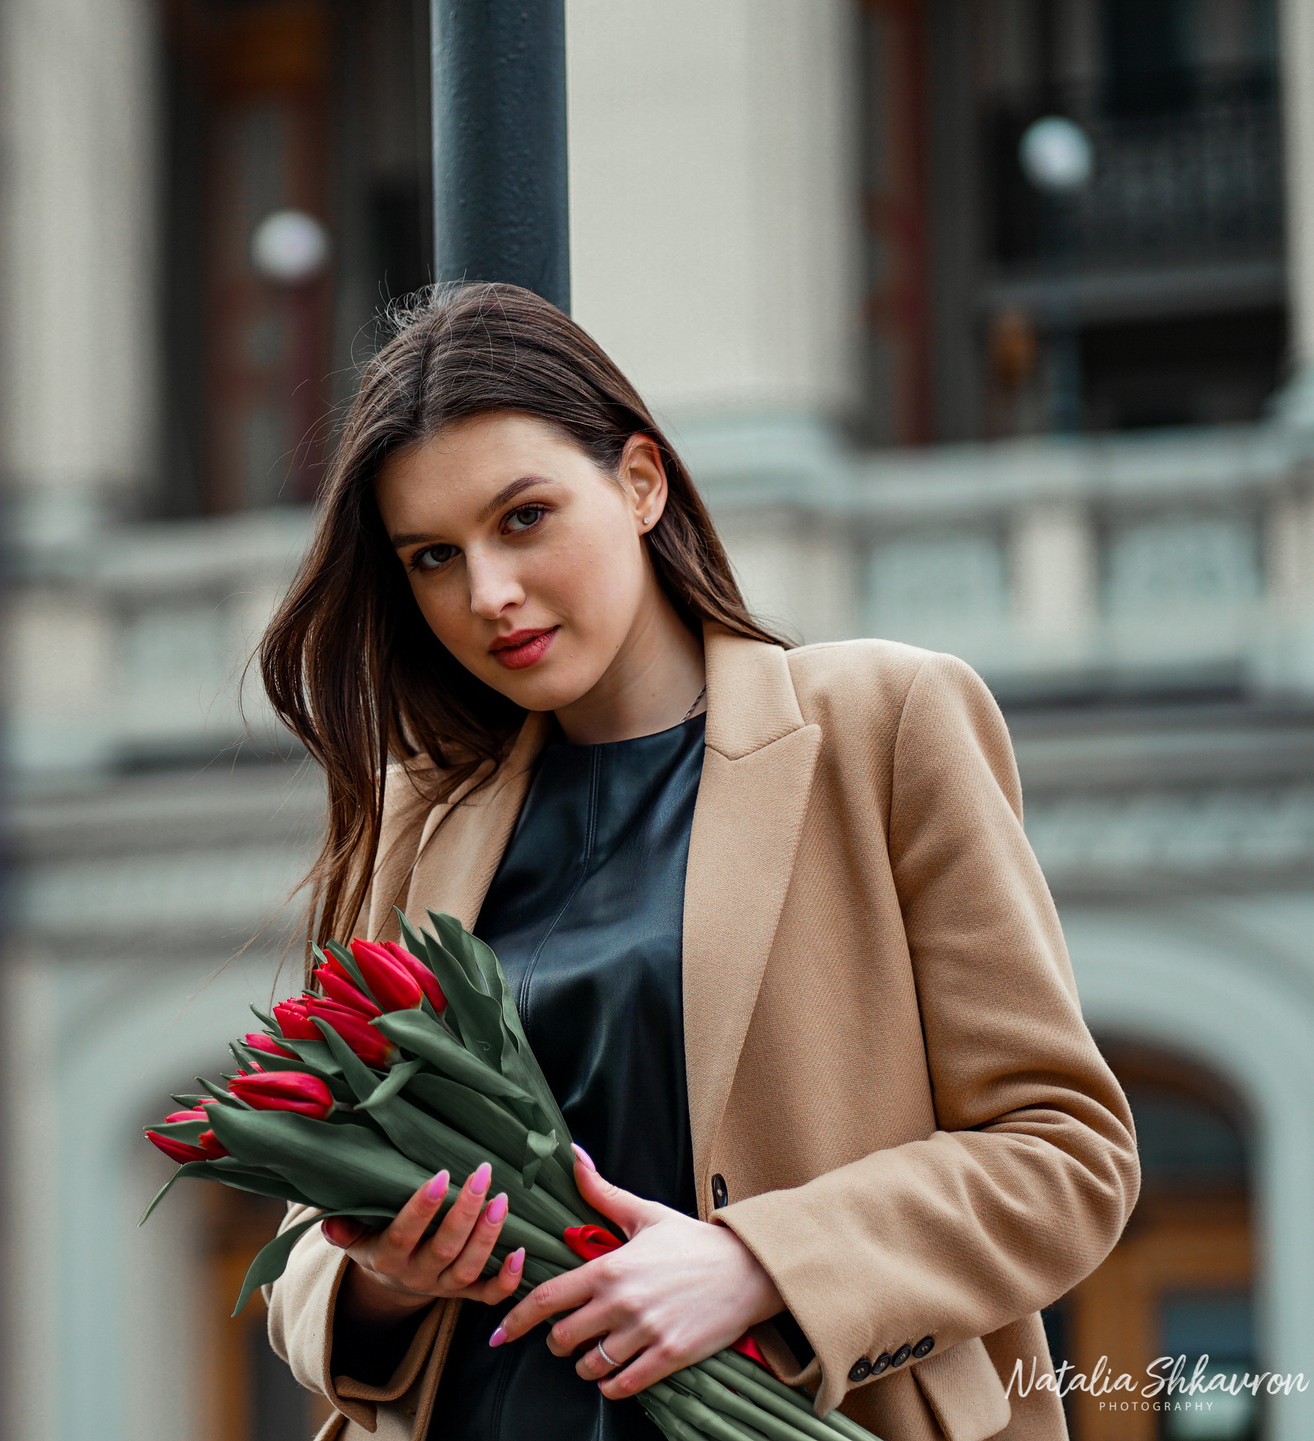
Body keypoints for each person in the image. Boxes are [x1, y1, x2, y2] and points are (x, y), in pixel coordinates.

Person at [249, 283, 1139, 1441]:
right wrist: (387, 1280)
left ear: (639, 481)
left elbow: (1065, 1154)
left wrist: (762, 1266)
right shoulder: (427, 810)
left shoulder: (885, 722)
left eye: (523, 517)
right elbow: (309, 1224)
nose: (487, 594)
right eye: (431, 556)